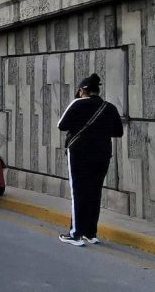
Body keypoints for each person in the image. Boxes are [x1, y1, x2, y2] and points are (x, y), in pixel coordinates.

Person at [57, 73, 123, 246]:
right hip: (102, 154)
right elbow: (118, 132)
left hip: (79, 153)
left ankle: (76, 234)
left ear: (82, 90)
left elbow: (61, 125)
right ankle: (90, 233)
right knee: (95, 192)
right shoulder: (109, 107)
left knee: (78, 192)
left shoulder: (78, 103)